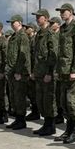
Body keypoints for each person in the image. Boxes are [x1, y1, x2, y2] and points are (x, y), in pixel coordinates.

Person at [54, 3, 75, 144]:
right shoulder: (63, 28)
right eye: (60, 12)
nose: (61, 14)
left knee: (72, 102)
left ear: (71, 12)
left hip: (72, 72)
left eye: (63, 12)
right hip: (63, 71)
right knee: (64, 102)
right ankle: (68, 130)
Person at [31, 9, 58, 137]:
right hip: (39, 72)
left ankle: (50, 125)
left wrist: (49, 72)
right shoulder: (39, 34)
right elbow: (36, 55)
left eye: (39, 17)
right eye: (36, 17)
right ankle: (46, 124)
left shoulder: (50, 34)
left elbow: (53, 55)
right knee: (40, 99)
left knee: (48, 100)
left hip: (47, 73)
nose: (37, 19)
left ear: (46, 18)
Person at [5, 15, 31, 130]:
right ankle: (17, 119)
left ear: (20, 23)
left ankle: (21, 121)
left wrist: (19, 71)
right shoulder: (13, 37)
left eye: (13, 22)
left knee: (20, 97)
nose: (12, 24)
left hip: (19, 73)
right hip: (12, 71)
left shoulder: (22, 36)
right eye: (11, 23)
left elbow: (23, 55)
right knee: (14, 97)